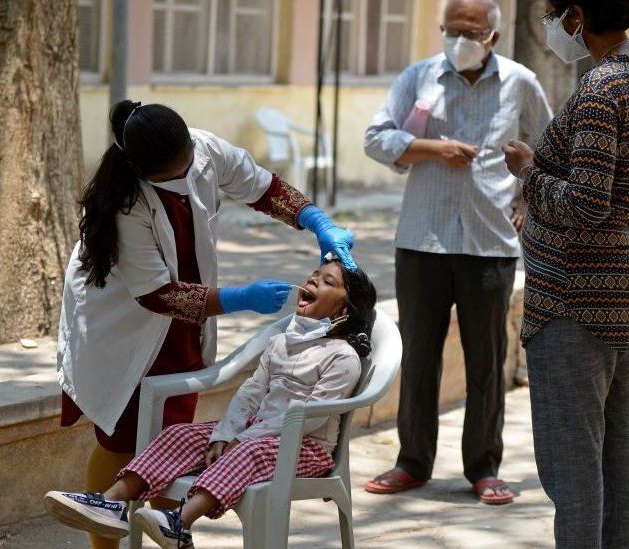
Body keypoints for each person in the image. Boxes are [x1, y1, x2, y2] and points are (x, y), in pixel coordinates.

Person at [57, 100, 356, 548]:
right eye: (171, 173)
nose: (185, 172)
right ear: (140, 169)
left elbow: (262, 187)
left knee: (170, 432)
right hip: (123, 322)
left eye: (187, 162)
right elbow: (156, 294)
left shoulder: (203, 149)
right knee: (121, 435)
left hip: (184, 321)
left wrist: (315, 220)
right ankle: (116, 529)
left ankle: (171, 528)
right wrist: (239, 298)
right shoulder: (126, 204)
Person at [362, 0, 552, 505]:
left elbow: (552, 147)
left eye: (471, 31)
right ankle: (412, 461)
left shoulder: (520, 83)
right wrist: (433, 149)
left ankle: (484, 467)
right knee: (418, 354)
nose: (460, 39)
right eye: (452, 30)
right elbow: (377, 139)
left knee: (486, 359)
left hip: (489, 243)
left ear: (493, 35)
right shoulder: (419, 76)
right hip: (422, 239)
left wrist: (528, 200)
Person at [45, 260, 376, 548]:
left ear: (342, 311)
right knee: (179, 435)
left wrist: (242, 440)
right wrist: (224, 432)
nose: (313, 280)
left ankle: (179, 523)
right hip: (256, 434)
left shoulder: (342, 358)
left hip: (305, 446)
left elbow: (309, 419)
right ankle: (111, 502)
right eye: (314, 275)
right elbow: (250, 393)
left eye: (328, 282)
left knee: (248, 452)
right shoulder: (281, 342)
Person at [501, 0, 629, 544]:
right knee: (617, 460)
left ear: (576, 14)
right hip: (622, 289)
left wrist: (528, 172)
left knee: (573, 466)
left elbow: (585, 204)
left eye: (552, 13)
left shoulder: (601, 90)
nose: (550, 24)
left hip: (573, 300)